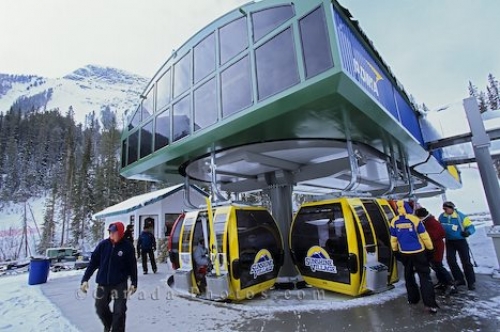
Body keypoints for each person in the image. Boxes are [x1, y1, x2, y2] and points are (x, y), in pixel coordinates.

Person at [80, 222, 138, 332]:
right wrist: (85, 279)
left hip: (120, 283)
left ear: (120, 233)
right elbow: (93, 263)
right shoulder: (103, 245)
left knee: (120, 310)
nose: (111, 234)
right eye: (110, 231)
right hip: (103, 282)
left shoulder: (127, 247)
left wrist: (134, 282)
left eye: (114, 232)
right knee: (100, 308)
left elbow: (132, 266)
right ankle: (109, 325)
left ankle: (117, 329)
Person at [390, 201, 439, 314]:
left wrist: (395, 251)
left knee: (408, 276)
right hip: (419, 252)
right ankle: (430, 304)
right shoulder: (415, 220)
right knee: (425, 277)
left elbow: (393, 239)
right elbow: (424, 237)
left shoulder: (394, 221)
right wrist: (430, 249)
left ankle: (413, 299)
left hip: (405, 253)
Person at [414, 207, 456, 295]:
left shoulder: (432, 222)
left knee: (438, 265)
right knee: (434, 266)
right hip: (431, 248)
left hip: (436, 247)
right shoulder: (426, 222)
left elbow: (439, 233)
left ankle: (450, 284)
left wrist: (423, 237)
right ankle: (442, 282)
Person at [438, 201, 476, 290]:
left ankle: (471, 282)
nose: (444, 210)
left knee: (466, 262)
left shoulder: (461, 217)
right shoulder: (442, 217)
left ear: (451, 208)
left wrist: (468, 232)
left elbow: (471, 227)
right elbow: (439, 226)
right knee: (451, 260)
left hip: (461, 241)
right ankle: (459, 279)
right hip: (449, 241)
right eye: (443, 209)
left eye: (446, 208)